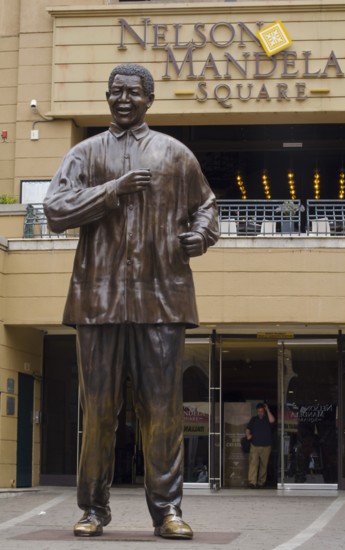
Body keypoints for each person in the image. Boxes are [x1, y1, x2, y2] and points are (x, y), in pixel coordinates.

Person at [44, 63, 219, 539]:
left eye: (133, 92)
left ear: (149, 100)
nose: (124, 99)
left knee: (162, 410)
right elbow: (55, 210)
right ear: (107, 97)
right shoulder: (85, 153)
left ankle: (167, 510)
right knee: (99, 410)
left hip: (161, 299)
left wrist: (200, 236)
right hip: (98, 300)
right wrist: (111, 191)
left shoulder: (174, 154)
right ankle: (93, 509)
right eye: (116, 92)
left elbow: (208, 207)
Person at [245, 402, 275, 488]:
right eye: (258, 411)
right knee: (253, 464)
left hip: (266, 446)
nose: (260, 413)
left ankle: (261, 482)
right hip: (254, 445)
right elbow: (248, 429)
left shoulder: (267, 418)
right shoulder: (253, 419)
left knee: (263, 465)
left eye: (261, 411)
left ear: (264, 411)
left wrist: (268, 409)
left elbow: (272, 420)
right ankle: (252, 482)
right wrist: (248, 435)